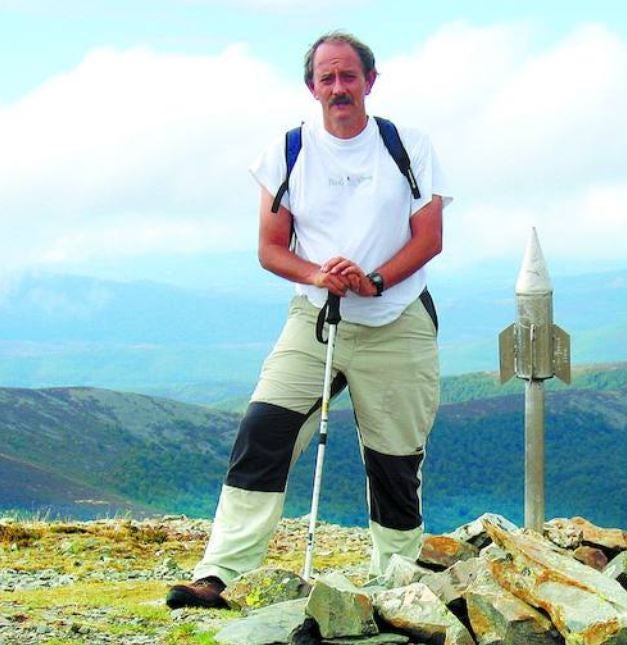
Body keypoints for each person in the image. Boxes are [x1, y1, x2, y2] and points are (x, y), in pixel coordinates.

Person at [167, 31, 450, 609]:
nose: (339, 88)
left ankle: (396, 581)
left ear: (371, 81)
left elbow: (429, 238)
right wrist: (320, 275)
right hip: (315, 318)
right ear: (312, 87)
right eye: (328, 78)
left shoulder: (407, 147)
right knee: (263, 433)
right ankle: (219, 574)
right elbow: (271, 248)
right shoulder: (289, 152)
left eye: (349, 76)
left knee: (396, 460)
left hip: (396, 320)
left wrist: (372, 280)